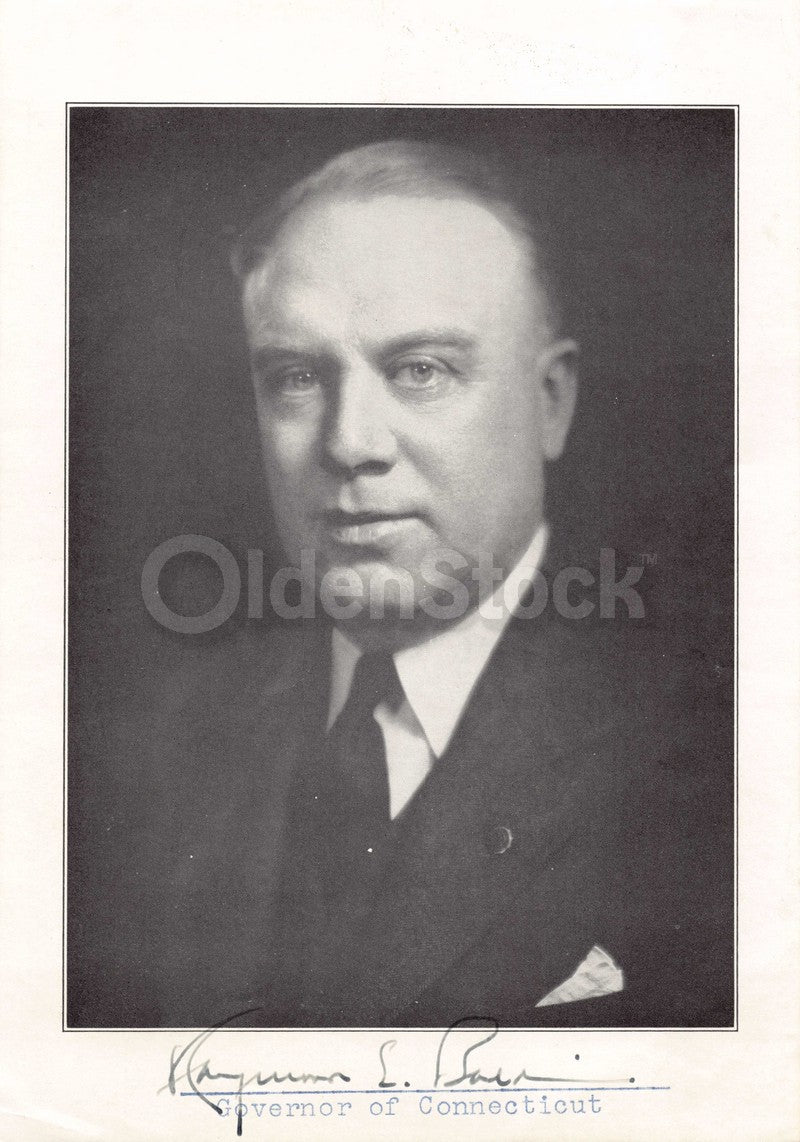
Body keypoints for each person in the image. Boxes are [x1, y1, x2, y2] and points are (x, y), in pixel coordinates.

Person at [68, 140, 732, 1029]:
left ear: (551, 401)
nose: (350, 443)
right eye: (297, 377)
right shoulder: (141, 755)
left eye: (422, 370)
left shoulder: (721, 760)